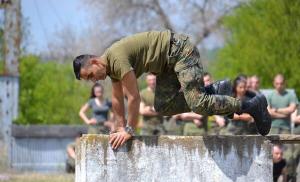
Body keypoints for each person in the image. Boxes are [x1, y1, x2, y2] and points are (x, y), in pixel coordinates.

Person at [72, 30, 271, 149]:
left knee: (198, 104)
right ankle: (215, 90)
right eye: (87, 80)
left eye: (90, 75)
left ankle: (252, 105)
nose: (92, 81)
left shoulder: (116, 58)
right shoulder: (111, 68)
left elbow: (133, 97)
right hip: (166, 66)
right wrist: (118, 128)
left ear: (95, 62)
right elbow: (117, 99)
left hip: (179, 52)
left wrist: (129, 130)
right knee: (163, 106)